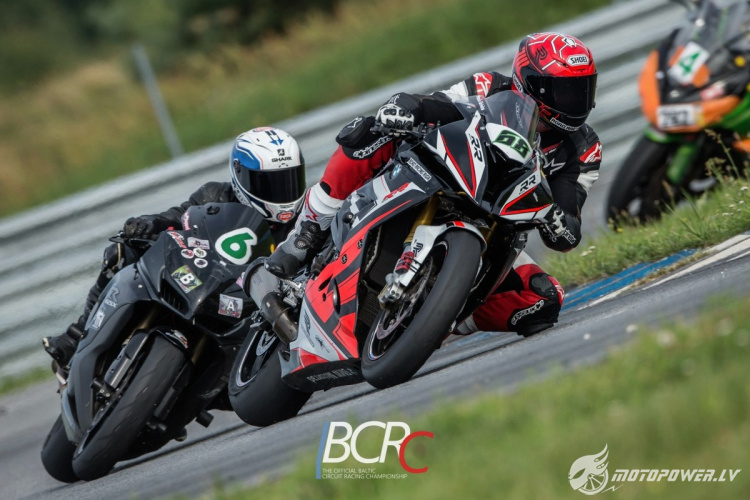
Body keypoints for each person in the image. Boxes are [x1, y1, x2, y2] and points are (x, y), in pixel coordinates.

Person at [265, 32, 602, 336]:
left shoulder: (585, 148)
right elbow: (441, 106)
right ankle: (310, 229)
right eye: (566, 91)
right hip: (446, 177)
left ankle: (441, 318)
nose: (577, 102)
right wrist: (408, 106)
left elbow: (568, 228)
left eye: (584, 90)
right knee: (367, 132)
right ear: (530, 82)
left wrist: (554, 218)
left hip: (497, 228)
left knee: (543, 299)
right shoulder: (488, 86)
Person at [43, 127, 307, 369]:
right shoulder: (215, 195)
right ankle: (77, 335)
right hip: (202, 283)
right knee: (120, 253)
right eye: (269, 184)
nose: (282, 193)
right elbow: (177, 217)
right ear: (240, 175)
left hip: (252, 311)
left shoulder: (305, 222)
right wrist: (149, 223)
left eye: (289, 180)